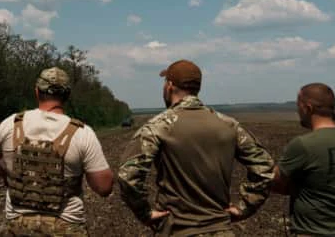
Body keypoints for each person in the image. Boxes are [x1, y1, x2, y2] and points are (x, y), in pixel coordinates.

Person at [117, 59, 275, 237]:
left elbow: (128, 176)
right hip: (221, 229)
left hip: (177, 230)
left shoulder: (159, 126)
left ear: (169, 86)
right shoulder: (228, 124)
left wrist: (144, 213)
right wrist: (244, 208)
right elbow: (265, 168)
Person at [0, 66, 114, 236]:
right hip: (66, 226)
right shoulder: (82, 133)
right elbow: (104, 187)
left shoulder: (11, 123)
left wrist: (8, 175)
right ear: (67, 96)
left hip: (17, 227)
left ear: (36, 92)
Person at [271, 83, 335, 237]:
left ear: (308, 108)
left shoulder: (303, 144)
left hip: (314, 232)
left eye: (298, 106)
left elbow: (274, 182)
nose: (298, 111)